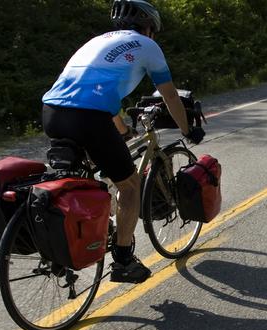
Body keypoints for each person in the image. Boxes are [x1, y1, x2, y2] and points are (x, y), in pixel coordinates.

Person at [41, 0, 204, 283]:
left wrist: (121, 128)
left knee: (83, 177)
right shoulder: (146, 45)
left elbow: (97, 91)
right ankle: (124, 260)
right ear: (149, 27)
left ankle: (64, 239)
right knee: (129, 187)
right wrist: (187, 129)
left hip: (52, 112)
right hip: (89, 117)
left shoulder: (97, 42)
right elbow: (169, 95)